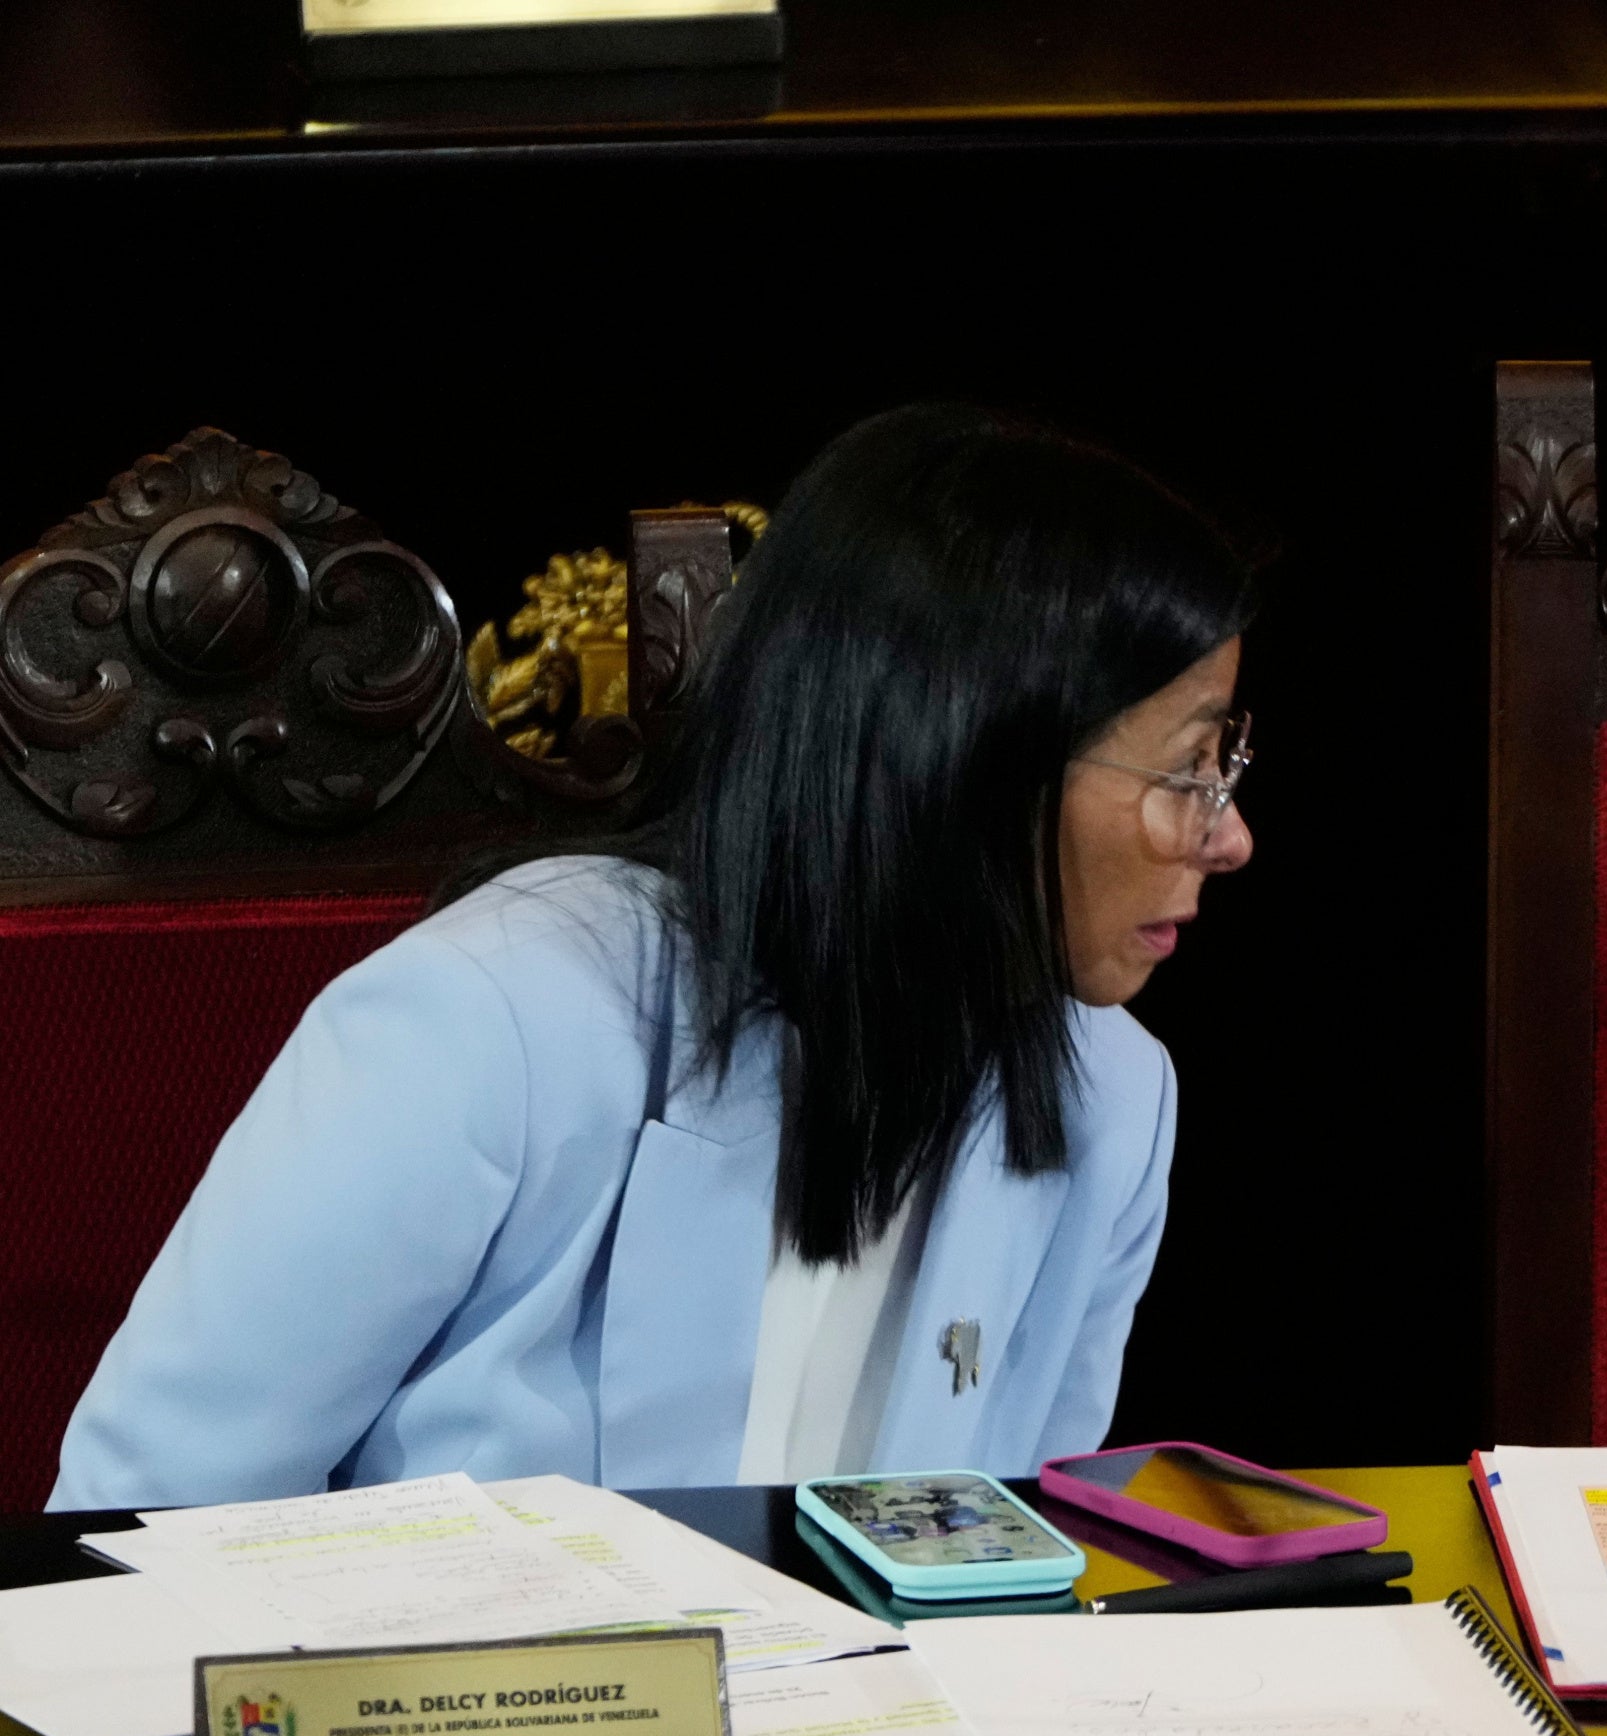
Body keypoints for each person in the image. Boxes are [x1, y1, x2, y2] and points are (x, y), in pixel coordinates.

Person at [53, 403, 1260, 1508]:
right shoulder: (497, 1018)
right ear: (967, 758)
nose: (1230, 834)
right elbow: (144, 1519)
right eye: (1186, 770)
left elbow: (1010, 1565)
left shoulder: (1116, 1097)